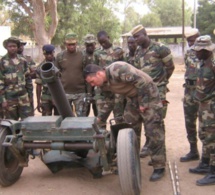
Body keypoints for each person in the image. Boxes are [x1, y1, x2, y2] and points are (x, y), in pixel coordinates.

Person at [84, 62, 166, 181]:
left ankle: (159, 166)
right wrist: (100, 117)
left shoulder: (117, 69)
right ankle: (131, 160)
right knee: (129, 130)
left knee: (153, 131)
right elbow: (109, 101)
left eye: (92, 81)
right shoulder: (102, 84)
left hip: (148, 95)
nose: (92, 85)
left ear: (99, 73)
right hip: (132, 98)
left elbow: (141, 81)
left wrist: (143, 103)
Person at [130, 24, 175, 158]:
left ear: (145, 34)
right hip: (143, 92)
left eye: (137, 36)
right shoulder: (138, 51)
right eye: (134, 37)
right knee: (145, 119)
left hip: (158, 91)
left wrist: (161, 82)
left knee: (157, 122)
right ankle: (149, 146)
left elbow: (170, 67)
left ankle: (158, 154)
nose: (136, 39)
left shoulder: (160, 48)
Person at [188, 35, 215, 186]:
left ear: (206, 50)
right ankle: (205, 163)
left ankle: (213, 171)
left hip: (212, 107)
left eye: (198, 50)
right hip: (204, 105)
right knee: (204, 135)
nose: (196, 53)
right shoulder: (204, 61)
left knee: (213, 140)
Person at [94, 30, 125, 127]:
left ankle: (119, 138)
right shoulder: (97, 53)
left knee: (118, 116)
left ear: (108, 37)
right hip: (103, 89)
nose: (103, 43)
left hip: (117, 87)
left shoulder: (118, 51)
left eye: (104, 41)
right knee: (101, 116)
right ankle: (102, 138)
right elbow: (95, 69)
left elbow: (125, 67)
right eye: (100, 42)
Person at [180, 29, 200, 162]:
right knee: (189, 122)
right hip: (189, 91)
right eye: (189, 41)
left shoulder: (210, 52)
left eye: (193, 40)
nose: (191, 43)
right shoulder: (188, 53)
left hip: (204, 91)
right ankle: (193, 150)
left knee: (207, 125)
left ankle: (209, 156)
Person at [55, 32, 88, 116]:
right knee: (66, 118)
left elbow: (87, 74)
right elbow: (56, 75)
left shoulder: (83, 55)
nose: (71, 46)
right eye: (69, 44)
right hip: (64, 93)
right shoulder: (60, 56)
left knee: (81, 118)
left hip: (80, 93)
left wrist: (88, 93)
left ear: (76, 43)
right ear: (66, 44)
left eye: (73, 44)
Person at [0, 37, 32, 120]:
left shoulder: (23, 60)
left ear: (17, 47)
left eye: (14, 46)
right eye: (10, 46)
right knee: (11, 124)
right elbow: (0, 83)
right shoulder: (2, 62)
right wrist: (3, 100)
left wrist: (30, 96)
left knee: (27, 122)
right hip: (10, 99)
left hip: (23, 97)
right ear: (6, 47)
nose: (12, 48)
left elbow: (28, 78)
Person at [35, 44, 59, 116]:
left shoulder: (59, 64)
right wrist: (38, 102)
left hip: (58, 96)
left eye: (50, 53)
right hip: (46, 97)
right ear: (44, 54)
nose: (49, 56)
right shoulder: (40, 68)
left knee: (59, 119)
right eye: (47, 54)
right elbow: (38, 85)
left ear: (53, 52)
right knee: (46, 120)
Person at [17, 39, 36, 116]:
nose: (21, 47)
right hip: (12, 93)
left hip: (27, 90)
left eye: (22, 45)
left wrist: (27, 74)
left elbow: (34, 73)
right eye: (19, 45)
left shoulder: (28, 58)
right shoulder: (6, 60)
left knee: (29, 114)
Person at [82, 34, 98, 116]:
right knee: (84, 113)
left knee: (98, 113)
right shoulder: (82, 56)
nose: (90, 47)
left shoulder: (99, 55)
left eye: (91, 45)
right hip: (85, 89)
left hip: (97, 89)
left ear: (95, 44)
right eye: (87, 45)